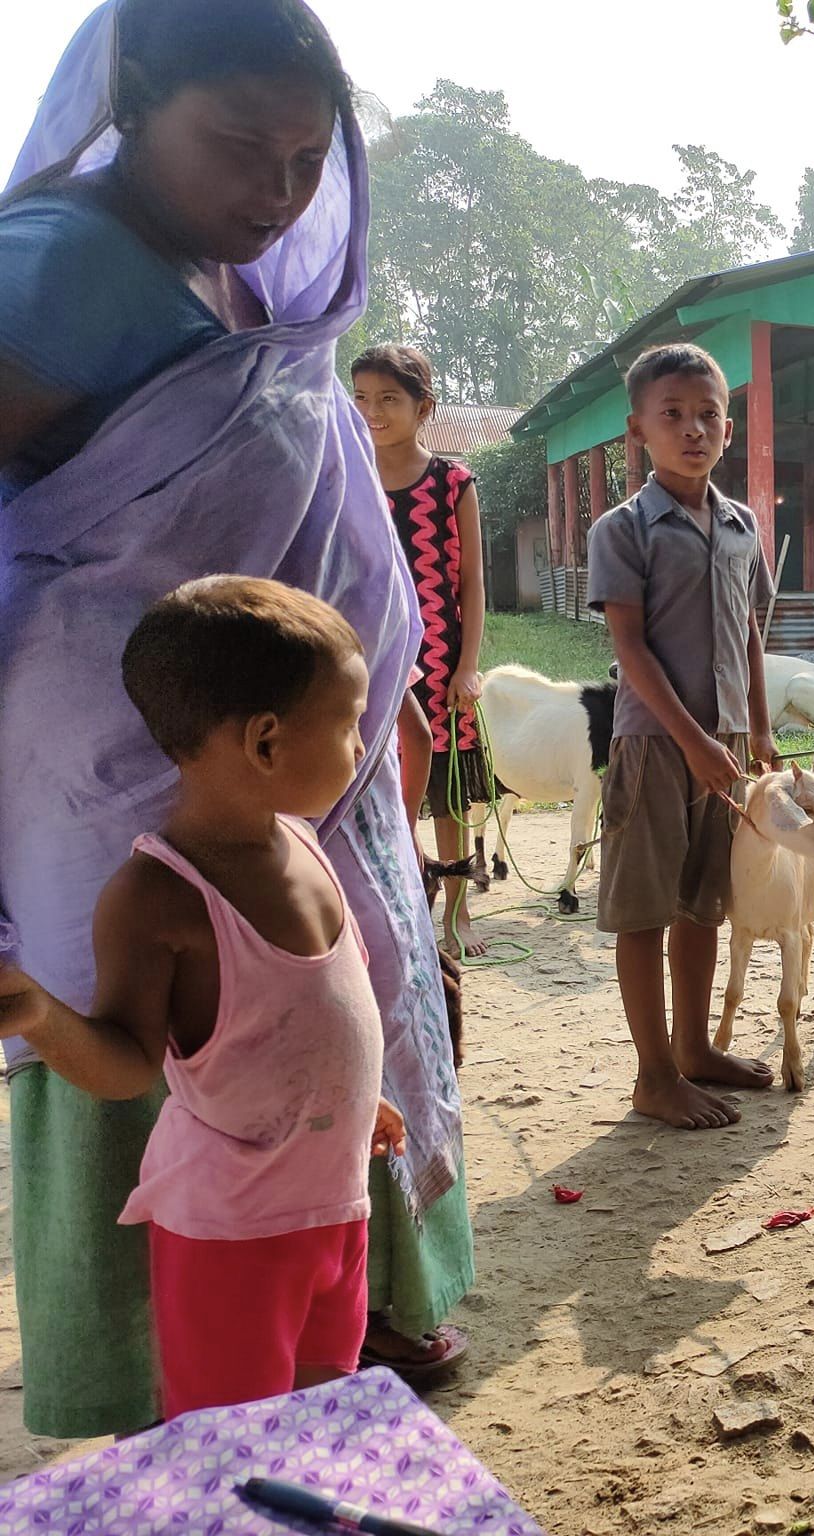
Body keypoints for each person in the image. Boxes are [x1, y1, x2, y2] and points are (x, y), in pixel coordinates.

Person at [0, 0, 471, 1436]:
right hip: (117, 763)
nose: (275, 193)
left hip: (294, 759)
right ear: (133, 97)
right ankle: (165, 1394)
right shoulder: (57, 266)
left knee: (314, 1006)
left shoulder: (247, 288)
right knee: (155, 1020)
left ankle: (344, 1318)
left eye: (307, 159)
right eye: (240, 148)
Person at [0, 579, 405, 1417]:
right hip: (232, 1236)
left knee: (323, 1403)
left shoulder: (301, 843)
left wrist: (366, 1100)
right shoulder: (158, 899)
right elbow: (124, 1066)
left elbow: (325, 1012)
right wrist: (40, 1017)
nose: (362, 743)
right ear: (265, 743)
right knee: (230, 1433)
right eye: (349, 721)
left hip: (334, 1206)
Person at [586, 342, 778, 1130]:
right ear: (640, 429)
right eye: (673, 415)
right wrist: (696, 741)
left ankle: (695, 1049)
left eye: (708, 415)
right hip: (654, 742)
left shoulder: (740, 525)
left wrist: (757, 729)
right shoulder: (623, 529)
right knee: (645, 910)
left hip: (727, 743)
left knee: (705, 903)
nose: (692, 429)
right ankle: (654, 1075)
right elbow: (629, 648)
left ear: (728, 430)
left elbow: (752, 636)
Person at [351, 344, 489, 959]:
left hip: (439, 665)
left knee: (447, 796)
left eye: (388, 399)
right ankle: (391, 911)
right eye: (361, 398)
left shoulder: (452, 481)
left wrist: (466, 667)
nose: (372, 411)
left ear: (423, 407)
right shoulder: (346, 471)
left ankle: (456, 917)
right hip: (366, 660)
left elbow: (473, 585)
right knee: (369, 787)